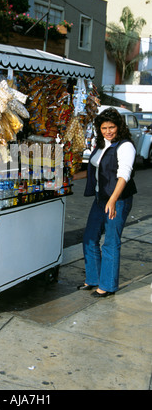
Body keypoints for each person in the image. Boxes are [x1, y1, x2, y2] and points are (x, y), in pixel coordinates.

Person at [74, 107, 137, 297]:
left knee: (110, 242)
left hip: (118, 200)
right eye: (104, 128)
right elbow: (95, 169)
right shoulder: (101, 145)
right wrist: (72, 178)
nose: (108, 131)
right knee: (90, 238)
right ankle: (93, 279)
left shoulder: (125, 146)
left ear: (119, 127)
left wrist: (113, 199)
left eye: (111, 127)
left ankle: (108, 286)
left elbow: (123, 174)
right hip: (101, 198)